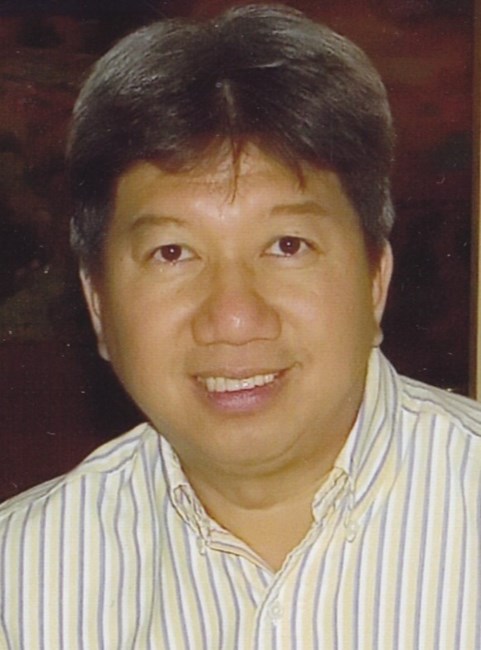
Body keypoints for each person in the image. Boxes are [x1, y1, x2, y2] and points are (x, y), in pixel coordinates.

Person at [0, 4, 479, 648]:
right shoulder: (21, 584)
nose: (232, 318)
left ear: (375, 279)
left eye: (287, 245)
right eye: (173, 253)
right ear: (97, 305)